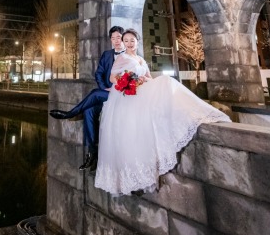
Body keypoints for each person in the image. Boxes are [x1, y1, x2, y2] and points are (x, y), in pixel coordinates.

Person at [94, 28, 230, 196]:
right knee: (133, 135)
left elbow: (149, 78)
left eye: (132, 40)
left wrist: (143, 79)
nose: (129, 43)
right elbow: (112, 78)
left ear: (137, 42)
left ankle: (191, 113)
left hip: (142, 89)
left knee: (166, 81)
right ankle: (134, 178)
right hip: (130, 94)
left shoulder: (141, 59)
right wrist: (130, 81)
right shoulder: (122, 57)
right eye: (126, 40)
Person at [49, 26, 125, 171]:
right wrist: (105, 87)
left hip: (121, 95)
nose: (116, 41)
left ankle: (70, 113)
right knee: (89, 110)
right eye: (113, 38)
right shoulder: (107, 55)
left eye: (119, 37)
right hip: (107, 94)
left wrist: (113, 88)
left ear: (123, 38)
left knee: (95, 93)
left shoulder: (129, 55)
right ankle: (92, 154)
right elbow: (99, 73)